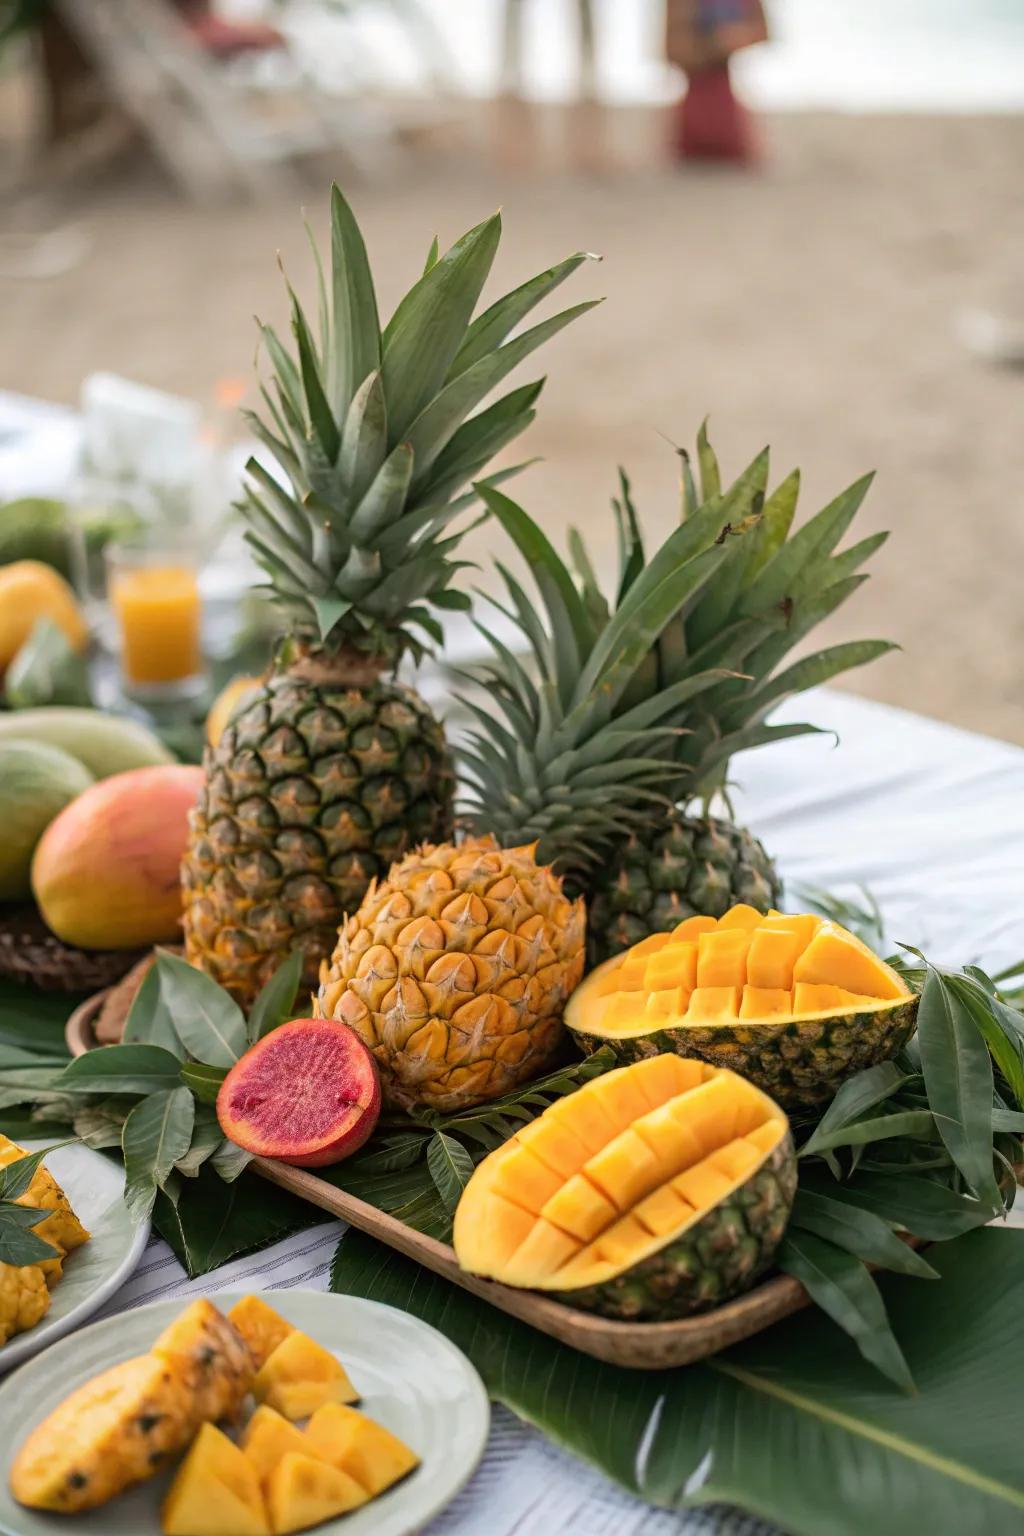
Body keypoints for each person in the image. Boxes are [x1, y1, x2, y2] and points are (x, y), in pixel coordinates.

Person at [664, 0, 768, 164]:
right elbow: (671, 49)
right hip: (695, 107)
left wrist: (731, 38)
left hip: (725, 105)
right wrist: (715, 44)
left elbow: (762, 32)